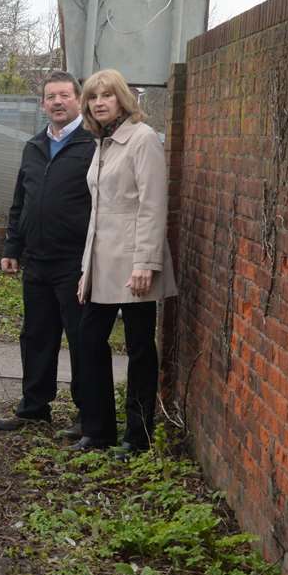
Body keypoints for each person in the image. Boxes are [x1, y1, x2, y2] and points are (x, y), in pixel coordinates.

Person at [74, 68, 177, 456]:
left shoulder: (142, 138)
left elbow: (152, 205)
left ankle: (138, 435)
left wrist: (145, 264)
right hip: (102, 264)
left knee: (138, 347)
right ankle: (99, 430)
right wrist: (87, 269)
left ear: (122, 99)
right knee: (89, 340)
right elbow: (99, 212)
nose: (99, 103)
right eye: (93, 97)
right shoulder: (101, 143)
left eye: (107, 95)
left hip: (134, 262)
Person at [0, 71, 97, 436]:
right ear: (42, 104)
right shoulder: (34, 146)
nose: (57, 102)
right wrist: (12, 247)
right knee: (36, 335)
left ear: (78, 100)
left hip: (75, 262)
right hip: (36, 259)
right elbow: (20, 201)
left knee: (80, 337)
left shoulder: (93, 144)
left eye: (64, 95)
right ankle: (34, 408)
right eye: (50, 97)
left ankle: (88, 415)